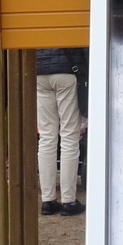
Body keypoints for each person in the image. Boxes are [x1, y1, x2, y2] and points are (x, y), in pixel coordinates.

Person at [36, 46, 88, 216]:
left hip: (40, 72)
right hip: (67, 71)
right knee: (69, 137)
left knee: (46, 137)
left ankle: (48, 200)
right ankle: (69, 200)